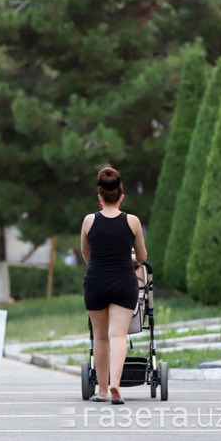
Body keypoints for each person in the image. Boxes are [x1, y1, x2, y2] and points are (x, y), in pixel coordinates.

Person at [80, 167, 147, 404]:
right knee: (118, 335)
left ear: (99, 196)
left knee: (100, 338)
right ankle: (116, 384)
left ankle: (102, 391)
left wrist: (98, 266)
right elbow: (141, 256)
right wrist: (127, 258)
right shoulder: (133, 221)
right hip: (123, 282)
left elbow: (86, 253)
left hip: (96, 281)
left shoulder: (89, 220)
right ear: (121, 196)